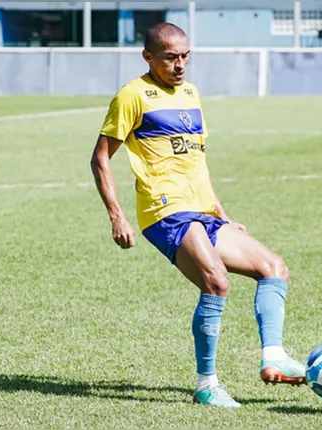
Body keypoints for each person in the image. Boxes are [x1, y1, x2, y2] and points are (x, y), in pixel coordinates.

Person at [89, 23, 305, 408]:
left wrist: (222, 214)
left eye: (185, 55)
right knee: (216, 282)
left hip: (202, 212)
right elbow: (100, 157)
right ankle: (207, 385)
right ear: (148, 57)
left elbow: (196, 162)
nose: (180, 64)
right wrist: (116, 216)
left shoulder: (191, 94)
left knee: (274, 266)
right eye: (171, 57)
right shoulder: (132, 96)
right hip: (165, 211)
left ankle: (274, 358)